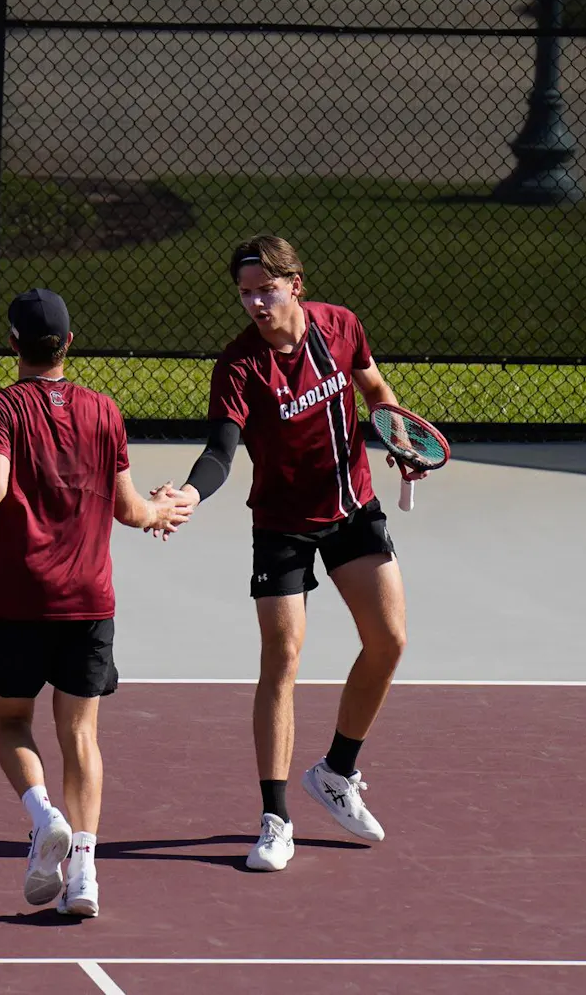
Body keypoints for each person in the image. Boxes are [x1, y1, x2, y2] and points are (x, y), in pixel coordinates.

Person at [153, 236, 421, 872]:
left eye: (264, 290)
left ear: (295, 284)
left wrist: (398, 437)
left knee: (389, 641)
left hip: (353, 507)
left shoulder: (340, 326)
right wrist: (189, 493)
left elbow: (377, 391)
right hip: (282, 526)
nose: (254, 303)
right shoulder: (241, 366)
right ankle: (275, 819)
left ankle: (336, 773)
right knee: (284, 655)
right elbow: (221, 451)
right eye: (245, 292)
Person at [0, 288, 190, 917]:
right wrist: (165, 510)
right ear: (69, 344)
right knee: (81, 737)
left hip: (20, 601)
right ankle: (84, 876)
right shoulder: (104, 410)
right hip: (89, 604)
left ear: (13, 344)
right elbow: (131, 510)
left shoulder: (2, 406)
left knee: (10, 722)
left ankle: (41, 813)